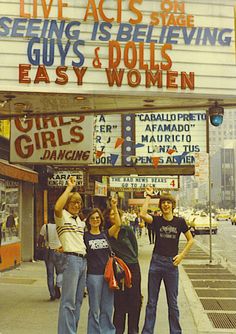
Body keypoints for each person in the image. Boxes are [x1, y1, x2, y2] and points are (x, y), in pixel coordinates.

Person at [140, 187, 194, 334]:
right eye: (163, 202)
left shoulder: (180, 221)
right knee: (151, 302)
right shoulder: (157, 220)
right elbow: (142, 214)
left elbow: (190, 240)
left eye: (168, 202)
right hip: (156, 263)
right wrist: (148, 196)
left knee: (173, 303)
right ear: (161, 205)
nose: (166, 205)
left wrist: (181, 255)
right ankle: (147, 331)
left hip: (172, 264)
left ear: (172, 205)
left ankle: (175, 331)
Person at [54, 176, 87, 334]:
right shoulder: (62, 217)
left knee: (78, 301)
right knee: (68, 301)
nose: (76, 205)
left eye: (79, 202)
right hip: (71, 259)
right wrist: (69, 188)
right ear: (67, 203)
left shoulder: (80, 221)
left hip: (82, 261)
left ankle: (72, 330)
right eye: (73, 202)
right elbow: (57, 208)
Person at [103, 201, 142, 334]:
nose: (113, 215)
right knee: (120, 302)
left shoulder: (127, 230)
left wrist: (132, 260)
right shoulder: (106, 233)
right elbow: (117, 224)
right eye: (111, 214)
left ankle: (133, 330)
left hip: (133, 267)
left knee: (135, 301)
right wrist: (113, 205)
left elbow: (135, 249)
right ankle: (118, 330)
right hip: (118, 270)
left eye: (116, 213)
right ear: (107, 218)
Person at [84, 200, 120, 334]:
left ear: (101, 220)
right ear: (89, 221)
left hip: (107, 276)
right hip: (93, 276)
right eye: (92, 218)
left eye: (97, 218)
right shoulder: (85, 237)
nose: (95, 220)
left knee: (107, 307)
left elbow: (118, 224)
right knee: (94, 308)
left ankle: (107, 331)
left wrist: (114, 207)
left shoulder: (105, 234)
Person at [38, 216, 65, 301]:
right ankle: (58, 285)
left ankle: (52, 294)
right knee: (60, 272)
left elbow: (40, 240)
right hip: (59, 251)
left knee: (50, 274)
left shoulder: (45, 226)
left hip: (49, 252)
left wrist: (40, 248)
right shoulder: (61, 226)